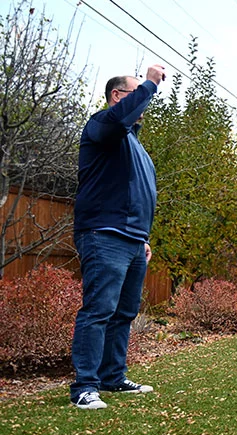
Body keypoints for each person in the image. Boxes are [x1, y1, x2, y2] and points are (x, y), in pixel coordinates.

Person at [69, 65, 166, 410]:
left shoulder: (134, 144)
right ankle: (85, 387)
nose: (144, 103)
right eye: (137, 93)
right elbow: (120, 118)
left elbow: (137, 193)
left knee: (124, 312)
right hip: (103, 233)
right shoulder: (103, 126)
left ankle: (113, 377)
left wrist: (142, 237)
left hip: (132, 239)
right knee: (99, 309)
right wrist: (151, 83)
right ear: (117, 96)